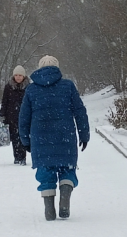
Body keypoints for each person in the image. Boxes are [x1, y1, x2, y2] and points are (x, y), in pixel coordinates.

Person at [19, 55, 89, 221]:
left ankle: (49, 208)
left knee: (45, 171)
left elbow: (24, 118)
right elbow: (80, 111)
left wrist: (25, 140)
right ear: (57, 68)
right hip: (65, 136)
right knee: (67, 168)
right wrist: (84, 134)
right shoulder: (68, 86)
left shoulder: (31, 90)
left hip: (40, 138)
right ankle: (65, 197)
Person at [0, 65, 29, 165]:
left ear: (24, 76)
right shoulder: (8, 87)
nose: (18, 77)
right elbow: (5, 102)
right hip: (11, 117)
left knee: (23, 137)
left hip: (25, 117)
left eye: (20, 75)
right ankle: (17, 157)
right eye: (16, 75)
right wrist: (2, 115)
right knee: (15, 138)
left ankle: (23, 157)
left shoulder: (29, 87)